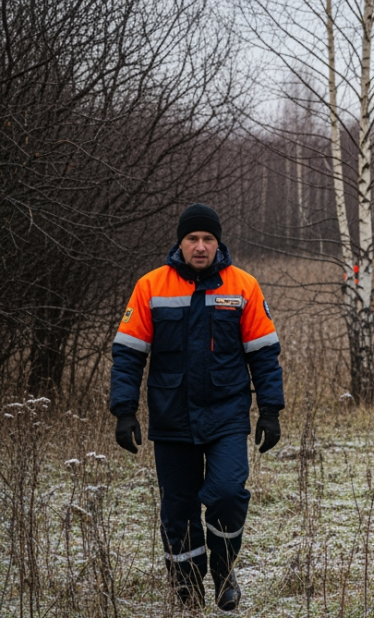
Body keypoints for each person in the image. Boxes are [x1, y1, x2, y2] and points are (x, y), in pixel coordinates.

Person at [110, 204, 283, 611]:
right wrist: (124, 410)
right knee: (178, 508)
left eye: (208, 239)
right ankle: (187, 590)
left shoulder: (244, 286)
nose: (200, 247)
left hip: (226, 414)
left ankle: (224, 569)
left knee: (226, 492)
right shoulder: (151, 286)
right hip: (171, 416)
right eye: (193, 239)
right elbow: (129, 353)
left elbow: (263, 353)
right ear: (180, 242)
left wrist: (271, 410)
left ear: (218, 243)